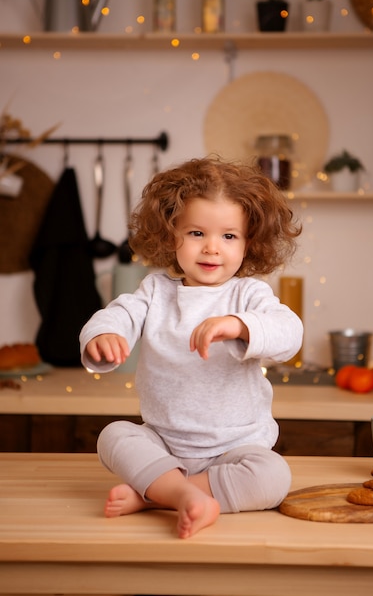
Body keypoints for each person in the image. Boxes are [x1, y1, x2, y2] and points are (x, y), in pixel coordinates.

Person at [80, 156, 303, 539]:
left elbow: (289, 333)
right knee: (113, 436)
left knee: (274, 476)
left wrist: (239, 324)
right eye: (197, 233)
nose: (212, 249)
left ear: (250, 243)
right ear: (171, 236)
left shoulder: (248, 294)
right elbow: (116, 315)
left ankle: (156, 496)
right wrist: (104, 335)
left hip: (236, 447)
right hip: (163, 444)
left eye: (229, 236)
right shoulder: (155, 292)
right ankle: (185, 493)